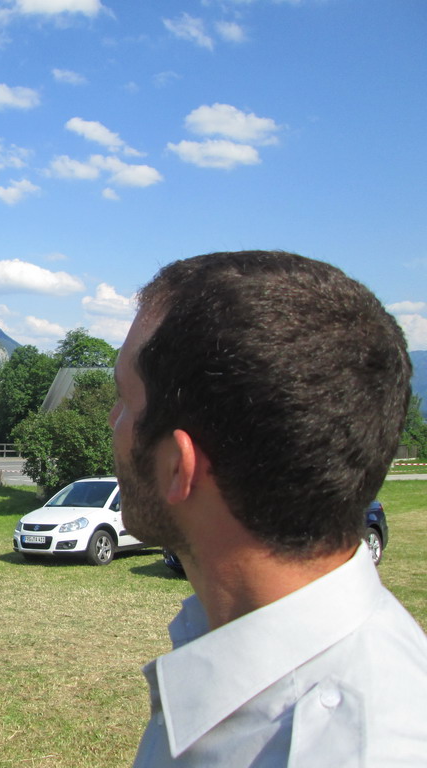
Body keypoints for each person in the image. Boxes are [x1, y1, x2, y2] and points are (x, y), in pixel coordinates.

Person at [109, 251, 427, 766]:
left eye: (124, 399)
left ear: (178, 469)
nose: (112, 421)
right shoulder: (230, 644)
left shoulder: (356, 751)